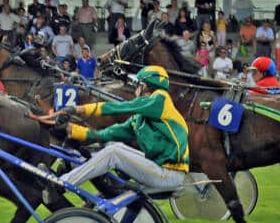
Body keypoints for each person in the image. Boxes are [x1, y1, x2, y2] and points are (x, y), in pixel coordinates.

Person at [41, 66, 189, 201]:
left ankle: (61, 184)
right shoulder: (139, 120)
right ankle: (91, 178)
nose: (135, 89)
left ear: (146, 86)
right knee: (112, 145)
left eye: (137, 85)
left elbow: (119, 107)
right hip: (159, 170)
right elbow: (105, 134)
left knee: (113, 152)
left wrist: (78, 109)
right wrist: (70, 129)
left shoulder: (160, 98)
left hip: (169, 175)